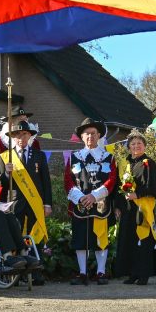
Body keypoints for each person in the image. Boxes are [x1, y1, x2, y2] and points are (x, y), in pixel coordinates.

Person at [0, 121, 52, 283]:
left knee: (36, 237)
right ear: (13, 137)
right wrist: (7, 173)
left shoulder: (39, 155)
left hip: (35, 203)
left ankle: (36, 273)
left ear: (30, 136)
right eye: (17, 134)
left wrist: (47, 204)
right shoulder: (5, 157)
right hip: (15, 203)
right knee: (16, 237)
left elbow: (46, 182)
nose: (21, 137)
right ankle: (17, 274)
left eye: (24, 134)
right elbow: (1, 183)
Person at [65, 118, 116, 285]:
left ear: (99, 135)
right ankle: (82, 272)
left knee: (101, 238)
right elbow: (68, 180)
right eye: (86, 134)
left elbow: (112, 180)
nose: (90, 137)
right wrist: (80, 197)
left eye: (93, 133)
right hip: (79, 204)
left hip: (101, 204)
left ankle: (101, 272)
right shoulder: (74, 157)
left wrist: (94, 196)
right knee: (80, 239)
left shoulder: (109, 157)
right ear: (81, 136)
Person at [113, 130, 156, 285]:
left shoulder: (148, 163)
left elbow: (153, 185)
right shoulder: (124, 163)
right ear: (128, 147)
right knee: (129, 241)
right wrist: (117, 206)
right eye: (133, 144)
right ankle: (132, 273)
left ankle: (143, 274)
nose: (136, 146)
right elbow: (118, 186)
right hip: (128, 209)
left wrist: (137, 194)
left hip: (143, 208)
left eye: (139, 143)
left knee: (143, 241)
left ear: (144, 146)